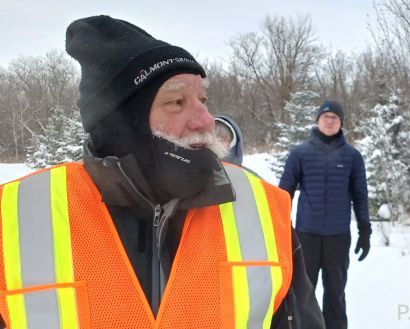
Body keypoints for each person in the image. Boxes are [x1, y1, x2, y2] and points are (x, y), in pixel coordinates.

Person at [0, 15, 323, 328]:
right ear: (122, 124)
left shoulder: (259, 206)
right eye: (177, 102)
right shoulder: (18, 216)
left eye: (203, 99)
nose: (206, 120)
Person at [279, 100, 371, 329]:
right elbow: (284, 194)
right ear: (317, 120)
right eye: (325, 117)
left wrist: (365, 231)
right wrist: (278, 228)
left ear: (341, 123)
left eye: (335, 118)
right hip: (306, 237)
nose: (330, 121)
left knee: (336, 294)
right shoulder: (299, 154)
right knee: (302, 294)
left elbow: (360, 195)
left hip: (337, 237)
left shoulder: (352, 156)